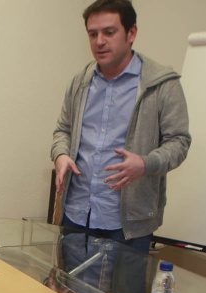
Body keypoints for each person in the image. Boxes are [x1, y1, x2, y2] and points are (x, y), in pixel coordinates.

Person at [51, 0, 191, 254]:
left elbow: (179, 142)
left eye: (109, 32)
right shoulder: (80, 82)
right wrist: (61, 155)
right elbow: (63, 130)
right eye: (92, 34)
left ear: (131, 33)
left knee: (125, 283)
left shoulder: (161, 84)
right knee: (68, 282)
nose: (99, 41)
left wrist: (145, 163)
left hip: (128, 225)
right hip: (76, 215)